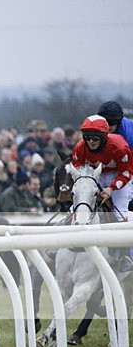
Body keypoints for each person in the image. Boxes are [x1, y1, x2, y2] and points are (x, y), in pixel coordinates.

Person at [71, 114, 133, 271]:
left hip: (118, 175)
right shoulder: (80, 148)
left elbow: (126, 173)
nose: (91, 142)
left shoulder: (120, 146)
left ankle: (124, 256)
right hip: (93, 175)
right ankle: (61, 245)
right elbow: (79, 175)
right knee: (75, 208)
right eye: (88, 138)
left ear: (104, 136)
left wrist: (111, 188)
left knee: (119, 213)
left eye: (95, 138)